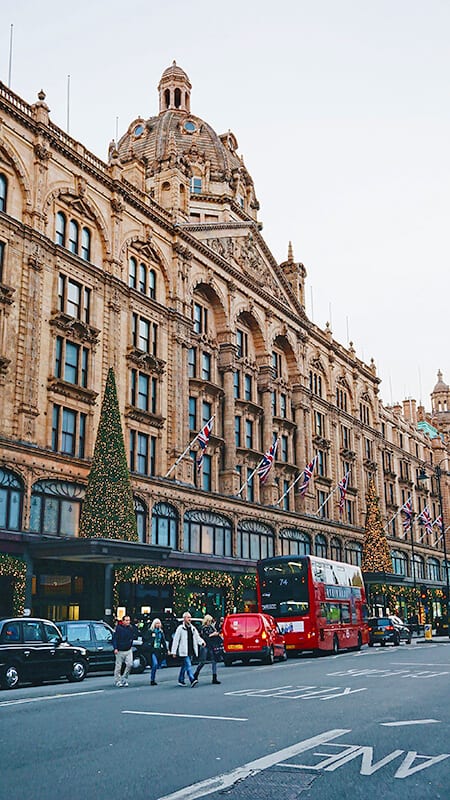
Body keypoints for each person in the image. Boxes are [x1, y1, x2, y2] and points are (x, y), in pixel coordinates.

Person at [170, 611, 205, 687]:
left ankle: (181, 680)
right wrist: (174, 652)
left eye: (190, 617)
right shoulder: (180, 628)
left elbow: (197, 637)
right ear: (184, 618)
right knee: (188, 665)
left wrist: (202, 642)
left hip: (191, 649)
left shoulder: (193, 628)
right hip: (184, 650)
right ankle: (192, 679)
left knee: (184, 665)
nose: (190, 619)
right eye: (188, 617)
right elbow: (176, 640)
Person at [193, 614, 222, 685]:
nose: (210, 622)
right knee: (202, 661)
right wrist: (213, 634)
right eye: (209, 621)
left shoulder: (211, 627)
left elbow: (216, 633)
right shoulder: (203, 628)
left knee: (214, 661)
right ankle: (196, 674)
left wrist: (216, 633)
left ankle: (214, 677)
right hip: (205, 645)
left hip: (212, 646)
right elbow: (205, 636)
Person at [112, 614, 135, 687]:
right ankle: (117, 680)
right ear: (123, 621)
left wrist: (130, 643)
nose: (128, 622)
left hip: (128, 649)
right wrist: (115, 648)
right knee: (118, 666)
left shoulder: (130, 628)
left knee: (129, 664)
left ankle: (124, 678)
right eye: (126, 620)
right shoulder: (118, 628)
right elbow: (115, 638)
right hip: (120, 650)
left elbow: (133, 636)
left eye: (129, 620)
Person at [147, 618, 168, 685]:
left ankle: (153, 678)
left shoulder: (161, 632)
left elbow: (163, 641)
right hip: (152, 650)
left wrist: (166, 650)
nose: (158, 625)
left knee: (156, 665)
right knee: (155, 664)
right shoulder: (151, 631)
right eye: (156, 623)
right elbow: (147, 640)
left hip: (158, 650)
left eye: (159, 623)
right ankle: (152, 679)